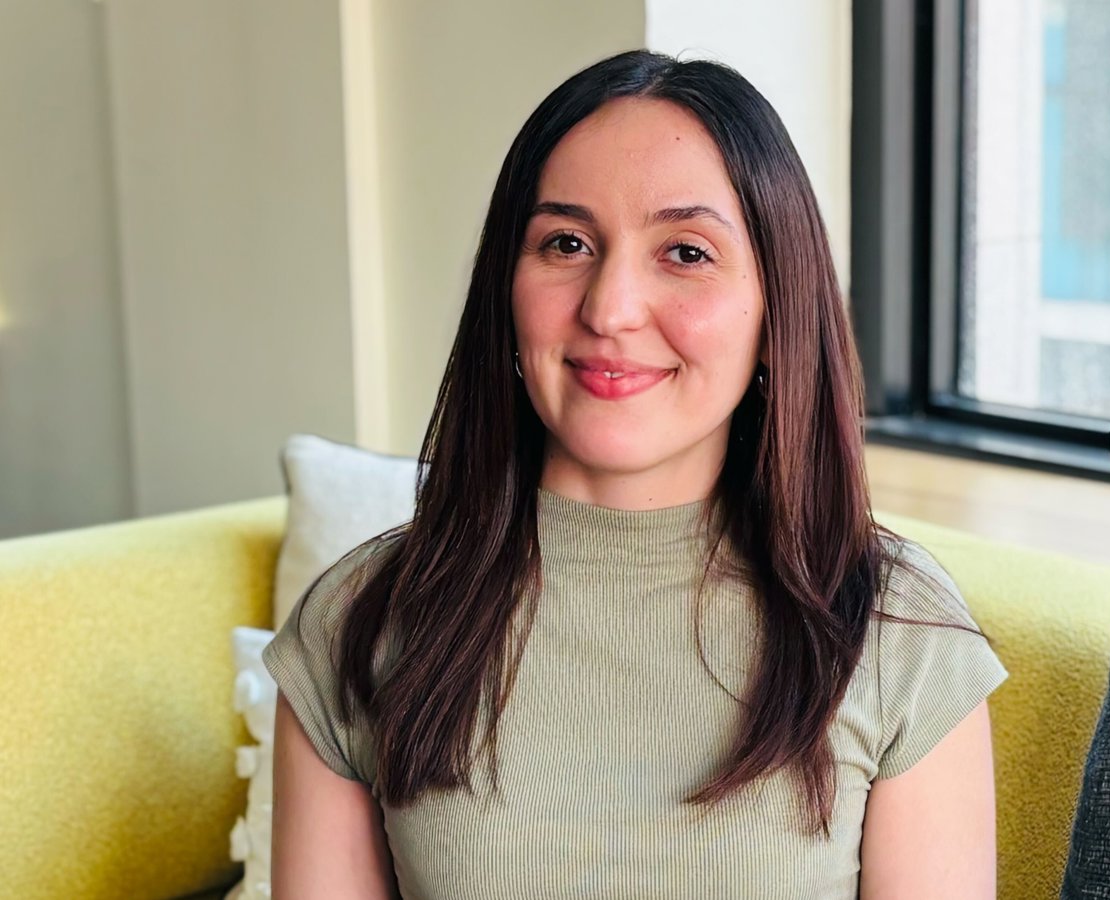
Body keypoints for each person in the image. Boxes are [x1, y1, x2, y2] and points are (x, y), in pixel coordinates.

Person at [264, 48, 1009, 900]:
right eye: (566, 243)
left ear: (777, 310)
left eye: (685, 253)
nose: (609, 308)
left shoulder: (897, 632)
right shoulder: (356, 624)